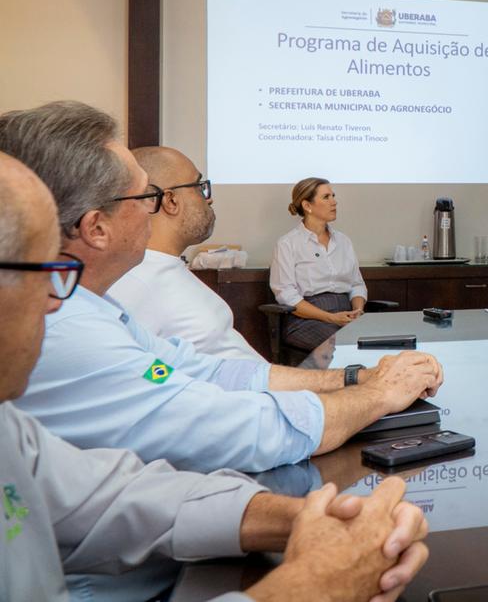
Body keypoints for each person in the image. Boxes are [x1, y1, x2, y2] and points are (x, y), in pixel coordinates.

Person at [0, 150, 429, 602]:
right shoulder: (77, 327)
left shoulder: (15, 421)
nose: (55, 302)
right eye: (43, 272)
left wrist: (306, 518)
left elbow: (117, 495)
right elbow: (214, 420)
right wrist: (317, 584)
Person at [0, 101, 444, 473]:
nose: (151, 210)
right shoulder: (72, 324)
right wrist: (375, 393)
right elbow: (224, 426)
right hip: (264, 442)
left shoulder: (97, 304)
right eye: (145, 198)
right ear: (97, 227)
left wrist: (354, 378)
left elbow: (202, 371)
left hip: (271, 429)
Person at [109, 146, 263, 360]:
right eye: (199, 187)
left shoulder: (163, 267)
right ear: (171, 201)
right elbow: (135, 367)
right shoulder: (135, 282)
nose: (209, 199)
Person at [270, 177, 368, 353]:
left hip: (346, 314)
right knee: (343, 345)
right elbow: (286, 295)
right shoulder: (287, 244)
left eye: (333, 196)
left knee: (372, 341)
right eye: (326, 197)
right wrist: (331, 317)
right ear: (307, 205)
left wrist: (358, 311)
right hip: (306, 319)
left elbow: (356, 284)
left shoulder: (343, 241)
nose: (334, 202)